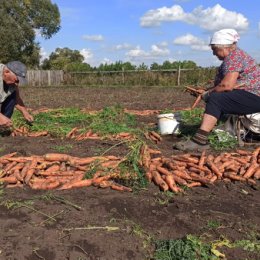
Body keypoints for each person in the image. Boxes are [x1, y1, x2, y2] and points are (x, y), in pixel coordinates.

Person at [174, 28, 260, 151]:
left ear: (224, 47)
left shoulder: (234, 57)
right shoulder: (236, 56)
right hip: (251, 95)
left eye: (214, 50)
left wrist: (209, 94)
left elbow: (226, 86)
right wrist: (208, 90)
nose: (214, 53)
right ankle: (213, 131)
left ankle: (200, 141)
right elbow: (230, 84)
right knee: (218, 98)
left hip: (255, 96)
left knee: (216, 99)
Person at [0, 61, 33, 131]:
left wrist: (25, 112)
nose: (17, 83)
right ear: (6, 72)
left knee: (13, 96)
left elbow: (17, 99)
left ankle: (3, 125)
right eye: (16, 80)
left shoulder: (13, 83)